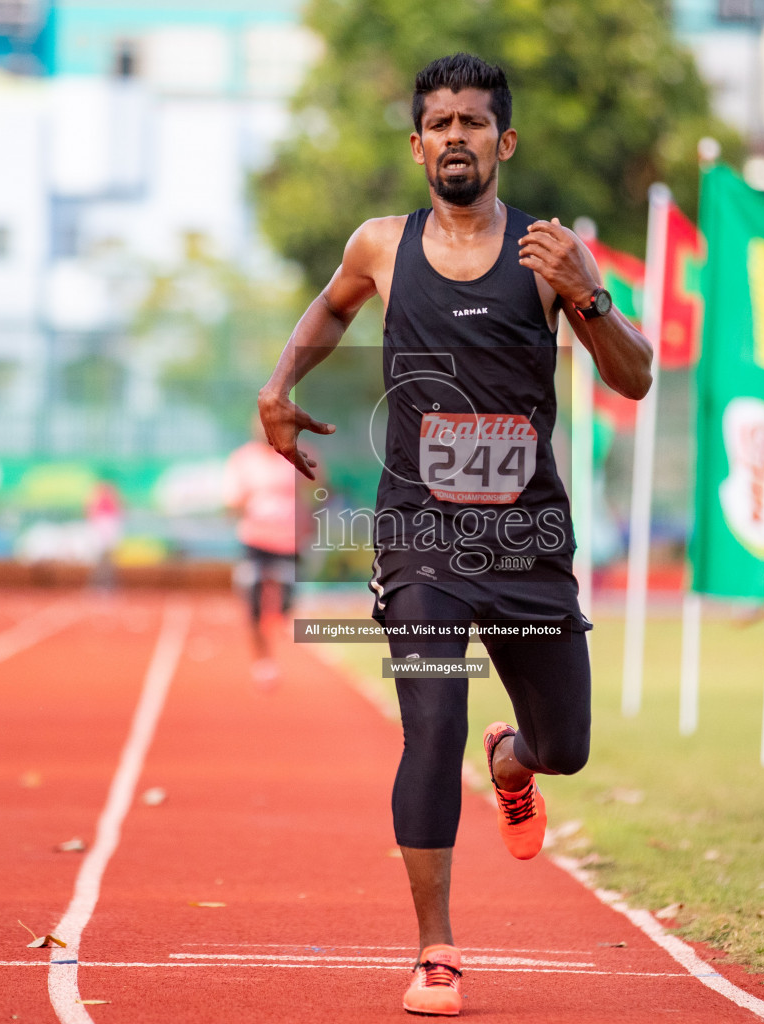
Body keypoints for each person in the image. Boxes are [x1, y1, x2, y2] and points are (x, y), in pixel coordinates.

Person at [258, 54, 651, 1016]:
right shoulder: (380, 246)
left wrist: (588, 296)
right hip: (420, 532)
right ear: (418, 144)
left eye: (473, 123)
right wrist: (279, 388)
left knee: (568, 746)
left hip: (526, 537)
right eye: (439, 124)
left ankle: (514, 761)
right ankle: (436, 950)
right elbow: (329, 310)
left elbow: (634, 377)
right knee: (429, 722)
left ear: (503, 142)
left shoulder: (549, 256)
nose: (456, 138)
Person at [222, 422, 305, 684]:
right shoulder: (243, 460)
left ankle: (280, 618)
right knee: (253, 602)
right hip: (255, 541)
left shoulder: (296, 455)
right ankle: (263, 661)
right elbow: (232, 501)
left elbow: (312, 492)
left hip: (289, 542)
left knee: (287, 601)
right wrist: (248, 504)